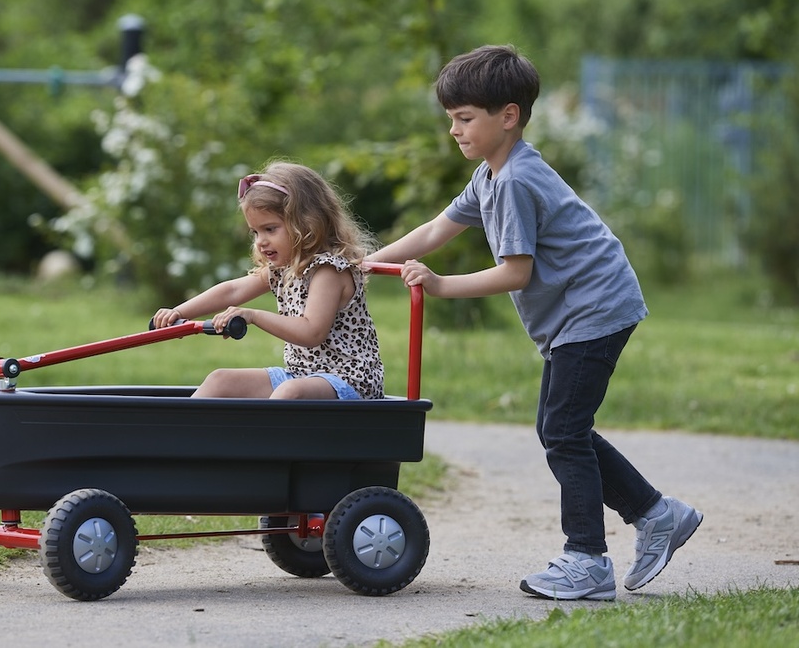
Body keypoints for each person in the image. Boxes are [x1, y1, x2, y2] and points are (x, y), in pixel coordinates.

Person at [366, 45, 702, 600]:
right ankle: (656, 514)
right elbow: (434, 231)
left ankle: (587, 560)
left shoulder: (516, 180)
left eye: (464, 118)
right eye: (451, 118)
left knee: (563, 432)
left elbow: (515, 272)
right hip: (582, 311)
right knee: (563, 429)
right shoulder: (490, 175)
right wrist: (363, 265)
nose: (454, 130)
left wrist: (442, 285)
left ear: (508, 116)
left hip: (594, 309)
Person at [152, 161, 384, 401]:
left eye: (270, 229)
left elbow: (312, 332)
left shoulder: (328, 271)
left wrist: (254, 316)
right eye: (255, 232)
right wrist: (179, 312)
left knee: (289, 392)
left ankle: (259, 428)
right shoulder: (283, 268)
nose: (260, 241)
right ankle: (185, 426)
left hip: (349, 381)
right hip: (301, 374)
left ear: (306, 222)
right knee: (220, 380)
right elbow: (232, 290)